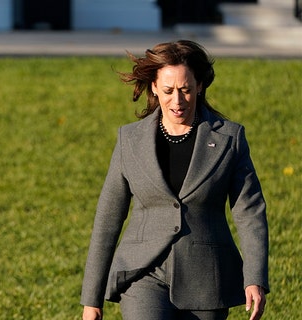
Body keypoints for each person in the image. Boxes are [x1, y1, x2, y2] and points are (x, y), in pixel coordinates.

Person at [80, 40, 268, 320]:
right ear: (154, 87)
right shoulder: (130, 140)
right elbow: (108, 218)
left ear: (200, 86)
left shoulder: (230, 139)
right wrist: (91, 299)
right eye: (168, 91)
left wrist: (255, 277)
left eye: (185, 90)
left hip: (207, 279)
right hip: (143, 273)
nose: (177, 101)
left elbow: (249, 212)